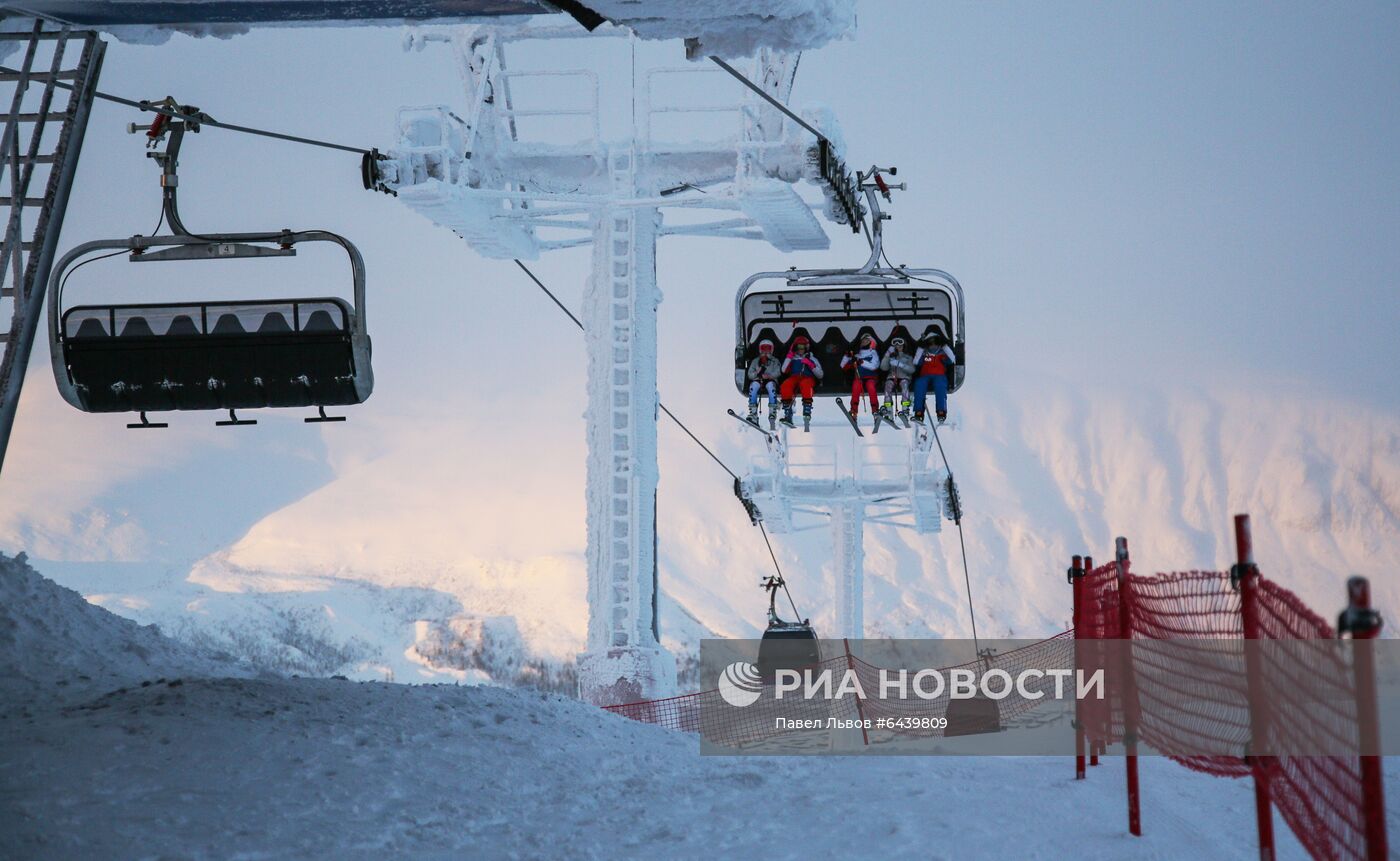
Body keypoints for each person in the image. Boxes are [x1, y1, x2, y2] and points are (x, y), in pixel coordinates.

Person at [912, 330, 956, 423]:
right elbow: (916, 361)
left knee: (940, 386)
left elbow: (952, 359)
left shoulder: (942, 353)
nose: (933, 345)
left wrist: (945, 346)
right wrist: (920, 347)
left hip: (939, 375)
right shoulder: (924, 353)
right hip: (925, 375)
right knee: (919, 385)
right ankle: (919, 412)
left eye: (935, 343)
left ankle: (941, 411)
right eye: (930, 343)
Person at [778, 335, 823, 426]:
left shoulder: (811, 358)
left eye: (802, 347)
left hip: (807, 378)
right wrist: (789, 356)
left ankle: (807, 409)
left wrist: (810, 364)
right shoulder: (792, 358)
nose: (800, 349)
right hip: (795, 377)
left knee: (806, 384)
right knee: (786, 385)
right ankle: (788, 413)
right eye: (798, 347)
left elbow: (820, 374)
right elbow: (783, 370)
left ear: (806, 347)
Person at [840, 333, 881, 419]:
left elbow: (874, 366)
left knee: (871, 387)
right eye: (863, 340)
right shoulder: (857, 354)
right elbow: (843, 366)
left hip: (871, 377)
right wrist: (847, 356)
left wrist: (861, 362)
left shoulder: (873, 353)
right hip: (859, 378)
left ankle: (875, 410)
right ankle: (854, 411)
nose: (864, 341)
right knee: (856, 387)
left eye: (867, 340)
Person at [745, 340, 781, 423]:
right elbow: (750, 375)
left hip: (770, 380)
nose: (765, 352)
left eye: (768, 349)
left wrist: (769, 376)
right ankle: (753, 414)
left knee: (771, 387)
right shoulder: (755, 361)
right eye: (763, 349)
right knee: (753, 387)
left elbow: (778, 372)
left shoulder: (775, 361)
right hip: (758, 379)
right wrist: (757, 372)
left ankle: (772, 412)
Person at [880, 336, 916, 419]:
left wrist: (900, 364)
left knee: (904, 386)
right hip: (892, 377)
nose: (898, 348)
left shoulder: (908, 358)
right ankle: (888, 409)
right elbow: (883, 367)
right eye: (896, 346)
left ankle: (905, 408)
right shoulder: (890, 357)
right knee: (888, 386)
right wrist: (887, 355)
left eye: (900, 346)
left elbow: (912, 369)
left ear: (904, 347)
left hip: (904, 377)